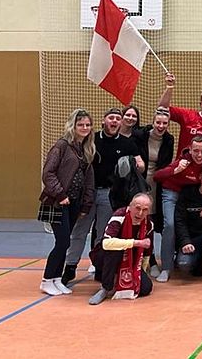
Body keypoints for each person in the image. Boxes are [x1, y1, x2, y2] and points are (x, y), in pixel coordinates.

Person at [62, 108, 143, 286]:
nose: (114, 121)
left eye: (117, 119)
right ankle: (70, 267)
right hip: (87, 193)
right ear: (104, 121)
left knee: (102, 233)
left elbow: (140, 164)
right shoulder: (92, 140)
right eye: (111, 118)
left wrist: (136, 164)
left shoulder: (127, 143)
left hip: (109, 195)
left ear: (121, 123)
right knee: (79, 231)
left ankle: (99, 265)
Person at [152, 135, 202, 282]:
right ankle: (166, 268)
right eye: (196, 151)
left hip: (190, 193)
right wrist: (176, 170)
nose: (199, 155)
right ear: (190, 150)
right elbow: (156, 176)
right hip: (172, 191)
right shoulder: (183, 160)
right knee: (171, 225)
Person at [39, 109, 96, 295]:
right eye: (81, 125)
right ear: (73, 125)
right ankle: (47, 279)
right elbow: (48, 173)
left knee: (66, 242)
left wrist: (86, 204)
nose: (84, 128)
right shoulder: (61, 146)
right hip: (57, 203)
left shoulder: (85, 149)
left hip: (74, 204)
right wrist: (60, 194)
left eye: (88, 125)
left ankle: (56, 279)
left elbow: (88, 179)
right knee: (62, 242)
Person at [88, 193, 155, 305]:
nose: (140, 213)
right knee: (115, 249)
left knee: (145, 288)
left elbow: (147, 252)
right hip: (105, 258)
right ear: (130, 206)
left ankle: (117, 279)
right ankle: (105, 288)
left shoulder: (149, 224)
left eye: (145, 210)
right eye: (137, 208)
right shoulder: (119, 216)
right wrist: (136, 243)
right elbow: (106, 243)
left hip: (131, 261)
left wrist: (140, 272)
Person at [138, 109, 175, 277]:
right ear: (152, 122)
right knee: (140, 222)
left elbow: (165, 164)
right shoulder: (140, 135)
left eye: (165, 123)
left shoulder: (169, 139)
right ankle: (144, 260)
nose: (161, 126)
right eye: (158, 122)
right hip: (139, 183)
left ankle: (152, 261)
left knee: (152, 224)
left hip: (157, 184)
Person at [157, 72, 202, 154]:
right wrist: (169, 87)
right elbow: (162, 108)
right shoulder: (187, 115)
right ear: (200, 104)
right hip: (183, 164)